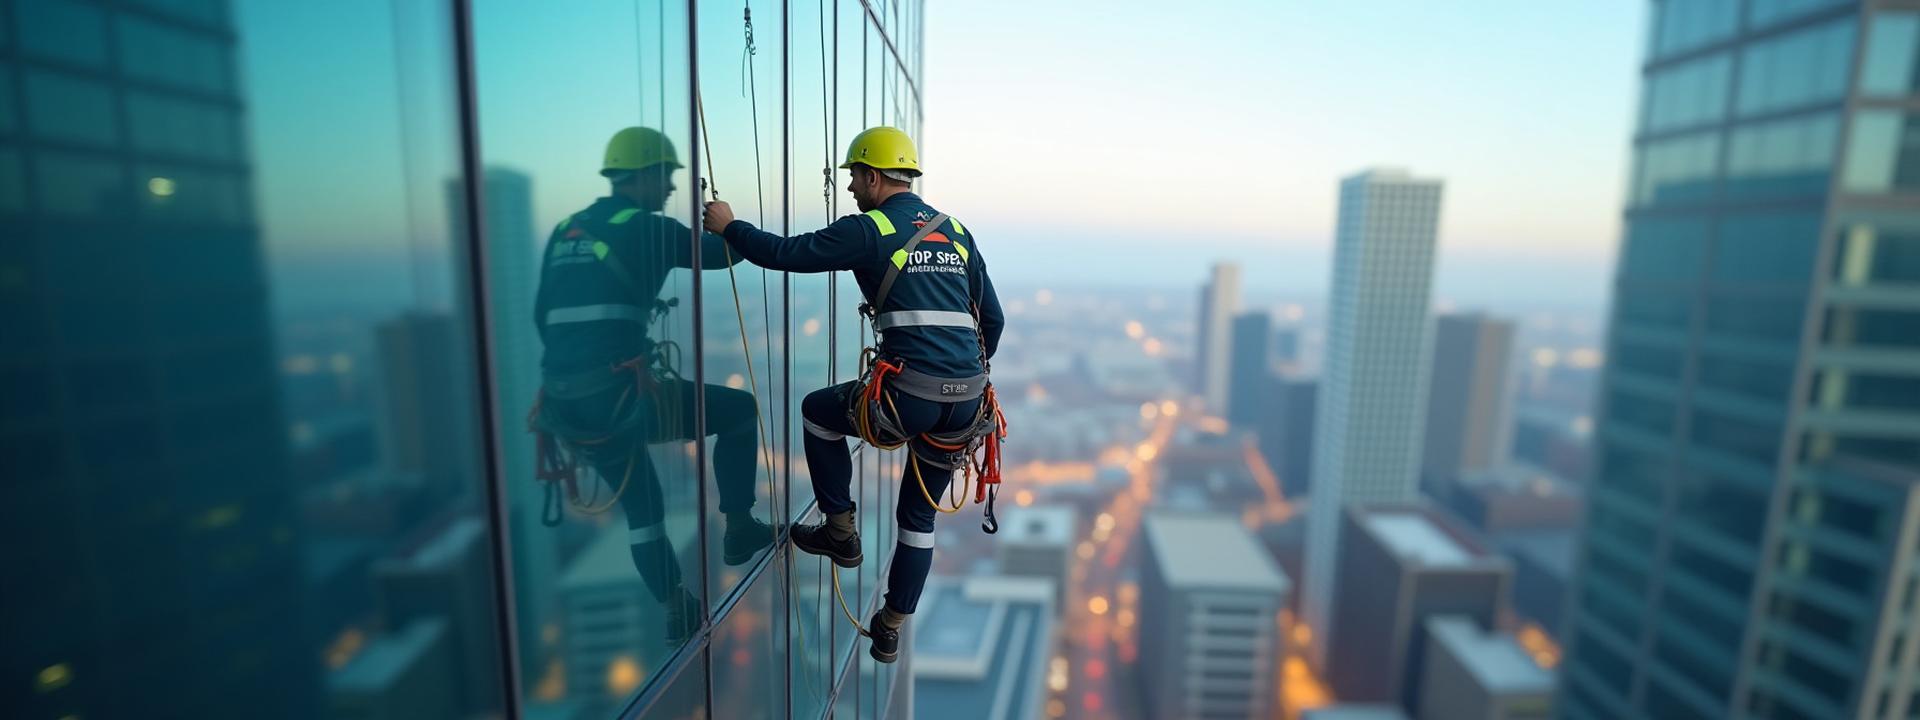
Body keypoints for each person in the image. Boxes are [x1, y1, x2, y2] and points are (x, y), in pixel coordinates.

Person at [702, 126, 1005, 663]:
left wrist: (731, 227)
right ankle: (890, 626)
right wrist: (960, 377)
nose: (850, 190)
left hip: (908, 393)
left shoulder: (872, 228)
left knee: (818, 412)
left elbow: (786, 253)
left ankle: (841, 530)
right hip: (966, 401)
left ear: (871, 175)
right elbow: (994, 320)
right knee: (919, 518)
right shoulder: (957, 232)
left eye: (853, 179)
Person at [531, 126, 774, 643]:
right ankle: (739, 526)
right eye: (664, 176)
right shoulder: (649, 229)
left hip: (566, 405)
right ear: (641, 175)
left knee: (643, 506)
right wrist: (725, 223)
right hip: (620, 396)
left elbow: (540, 317)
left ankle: (674, 605)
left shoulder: (565, 231)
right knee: (737, 411)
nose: (668, 188)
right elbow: (725, 256)